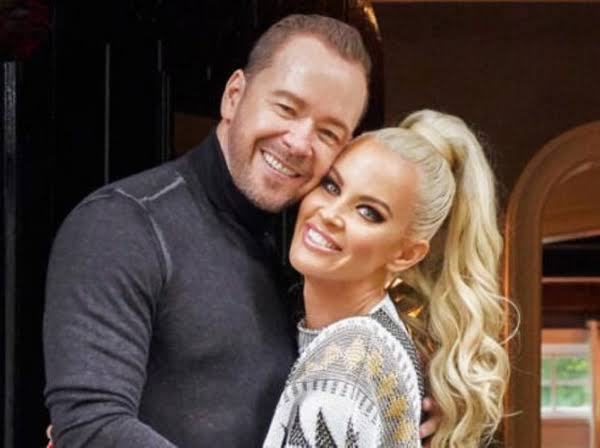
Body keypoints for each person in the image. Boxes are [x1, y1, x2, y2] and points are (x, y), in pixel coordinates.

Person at [43, 14, 439, 447]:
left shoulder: (302, 246)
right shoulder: (124, 224)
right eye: (286, 108)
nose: (299, 142)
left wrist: (402, 394)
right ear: (234, 96)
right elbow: (90, 427)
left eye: (328, 133)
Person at [263, 110, 511, 447]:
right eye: (332, 186)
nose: (331, 214)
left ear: (406, 254)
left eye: (369, 212)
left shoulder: (349, 364)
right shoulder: (378, 342)